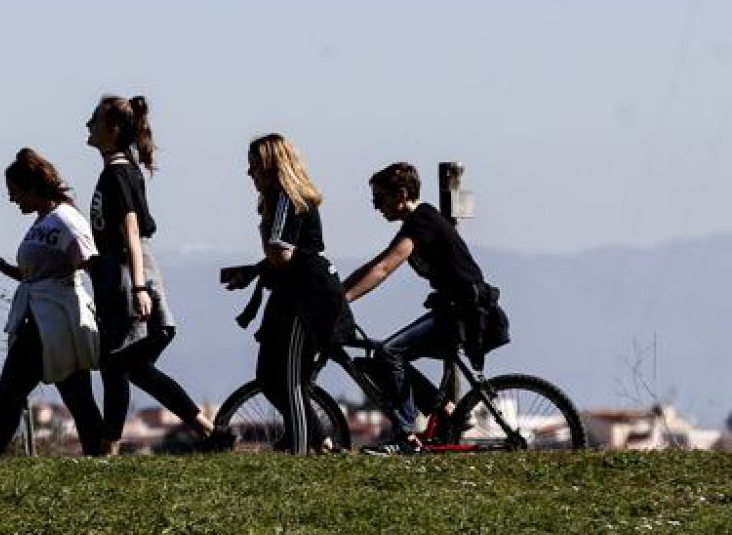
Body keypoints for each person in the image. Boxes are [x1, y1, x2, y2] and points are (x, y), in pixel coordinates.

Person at [84, 94, 232, 454]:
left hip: (126, 275)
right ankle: (208, 431)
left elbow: (131, 233)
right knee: (128, 367)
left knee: (118, 364)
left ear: (113, 128)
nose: (87, 125)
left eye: (94, 119)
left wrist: (138, 288)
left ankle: (110, 449)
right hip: (119, 273)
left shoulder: (118, 174)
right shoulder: (118, 171)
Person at [342, 161, 509, 455]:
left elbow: (383, 268)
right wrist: (337, 293)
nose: (375, 206)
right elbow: (376, 263)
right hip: (455, 310)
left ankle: (406, 436)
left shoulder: (423, 221)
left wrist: (343, 301)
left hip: (465, 312)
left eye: (379, 198)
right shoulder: (417, 222)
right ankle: (445, 409)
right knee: (383, 359)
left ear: (402, 194)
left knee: (388, 352)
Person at [222, 134, 354, 452]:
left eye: (254, 166)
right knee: (269, 375)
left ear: (270, 166)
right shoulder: (282, 201)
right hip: (294, 294)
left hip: (307, 302)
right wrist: (253, 271)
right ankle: (318, 438)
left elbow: (282, 254)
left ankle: (300, 446)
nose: (249, 173)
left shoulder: (286, 199)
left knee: (289, 377)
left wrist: (264, 231)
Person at [0, 148, 105, 458]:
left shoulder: (64, 220)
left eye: (15, 192)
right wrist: (7, 269)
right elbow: (43, 271)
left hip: (54, 321)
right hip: (40, 317)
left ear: (32, 188)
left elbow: (89, 262)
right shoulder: (43, 221)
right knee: (76, 395)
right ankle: (99, 454)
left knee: (10, 391)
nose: (12, 199)